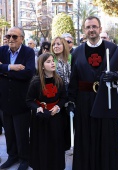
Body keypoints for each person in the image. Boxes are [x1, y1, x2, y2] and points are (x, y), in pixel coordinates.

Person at [67, 16, 118, 170]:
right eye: (88, 27)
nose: (91, 30)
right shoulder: (77, 52)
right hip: (84, 102)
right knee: (85, 138)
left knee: (106, 138)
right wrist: (71, 101)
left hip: (106, 100)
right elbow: (73, 79)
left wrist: (116, 76)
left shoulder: (112, 49)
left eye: (94, 26)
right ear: (84, 30)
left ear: (100, 29)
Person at [0, 26, 35, 170]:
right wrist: (11, 68)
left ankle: (24, 159)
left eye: (14, 36)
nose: (11, 39)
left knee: (21, 133)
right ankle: (12, 156)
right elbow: (19, 72)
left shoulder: (28, 52)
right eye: (8, 36)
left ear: (22, 38)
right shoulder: (1, 50)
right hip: (4, 100)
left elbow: (28, 73)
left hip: (21, 100)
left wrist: (3, 70)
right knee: (8, 132)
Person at [26, 52, 67, 170]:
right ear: (42, 66)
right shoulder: (35, 82)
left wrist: (58, 107)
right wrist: (37, 108)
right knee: (42, 144)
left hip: (55, 117)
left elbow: (64, 97)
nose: (52, 63)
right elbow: (29, 100)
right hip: (41, 119)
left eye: (53, 61)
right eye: (48, 62)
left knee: (56, 143)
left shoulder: (59, 80)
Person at [51, 36, 71, 150]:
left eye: (58, 44)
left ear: (64, 45)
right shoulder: (50, 59)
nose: (56, 46)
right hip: (55, 97)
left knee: (66, 125)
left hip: (68, 97)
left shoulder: (70, 59)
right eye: (54, 44)